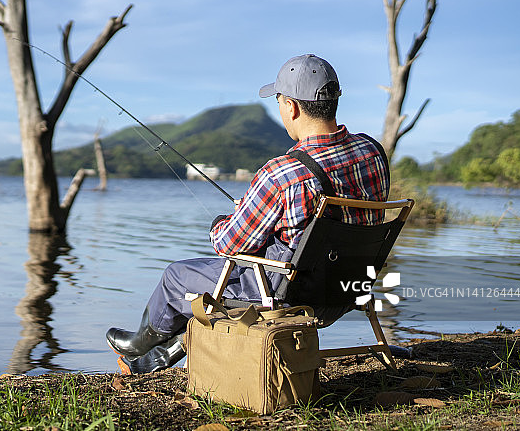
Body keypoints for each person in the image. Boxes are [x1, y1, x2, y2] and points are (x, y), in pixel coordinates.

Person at [106, 54, 390, 375]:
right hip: (348, 289)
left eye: (280, 101)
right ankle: (161, 354)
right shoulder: (372, 151)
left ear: (291, 107)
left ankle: (143, 343)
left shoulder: (283, 172)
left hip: (286, 300)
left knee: (175, 277)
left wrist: (221, 223)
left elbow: (228, 245)